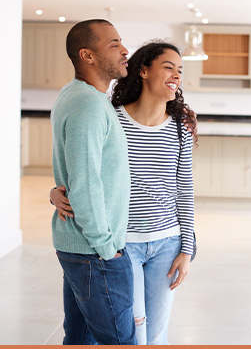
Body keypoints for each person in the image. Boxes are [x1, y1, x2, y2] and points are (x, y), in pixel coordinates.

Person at [51, 40, 196, 345]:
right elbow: (83, 169)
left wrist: (188, 248)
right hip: (122, 243)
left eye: (180, 70)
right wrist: (55, 191)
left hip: (167, 243)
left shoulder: (181, 127)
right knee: (134, 333)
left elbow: (184, 188)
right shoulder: (111, 116)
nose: (176, 75)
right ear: (143, 71)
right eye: (168, 67)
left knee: (156, 335)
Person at [51, 19, 136, 345]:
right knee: (119, 341)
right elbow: (85, 183)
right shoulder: (87, 104)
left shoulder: (80, 96)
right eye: (114, 44)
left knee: (79, 338)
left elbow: (74, 170)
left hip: (82, 247)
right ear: (87, 55)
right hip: (94, 251)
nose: (124, 50)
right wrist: (106, 248)